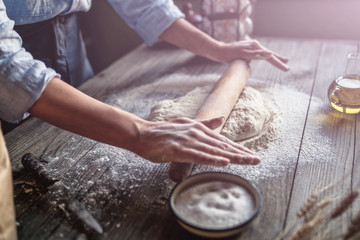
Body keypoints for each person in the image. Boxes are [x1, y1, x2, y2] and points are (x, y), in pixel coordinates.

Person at [0, 1, 289, 239]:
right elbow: (7, 67)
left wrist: (218, 49)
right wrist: (140, 133)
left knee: (75, 137)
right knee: (27, 147)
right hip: (12, 73)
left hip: (72, 44)